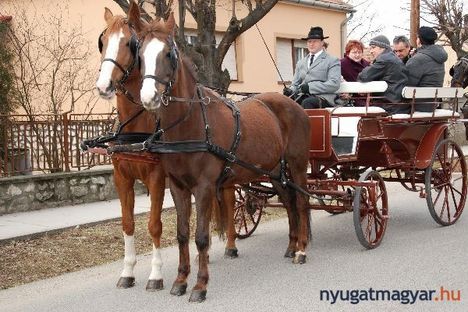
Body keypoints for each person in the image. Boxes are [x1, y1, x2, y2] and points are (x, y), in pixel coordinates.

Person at [283, 26, 341, 108]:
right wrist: (290, 90)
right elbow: (295, 84)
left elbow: (334, 84)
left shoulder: (332, 60)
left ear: (322, 42)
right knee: (284, 102)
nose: (311, 44)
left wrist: (310, 87)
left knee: (307, 103)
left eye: (315, 41)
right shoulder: (301, 62)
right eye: (309, 41)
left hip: (324, 97)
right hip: (303, 95)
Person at [358, 34, 409, 114]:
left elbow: (364, 76)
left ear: (383, 48)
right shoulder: (392, 58)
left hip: (389, 106)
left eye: (373, 47)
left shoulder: (384, 60)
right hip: (399, 105)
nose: (371, 51)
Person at [405, 26, 448, 112]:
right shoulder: (438, 57)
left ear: (419, 40)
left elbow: (407, 84)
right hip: (432, 104)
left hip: (416, 105)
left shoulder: (417, 59)